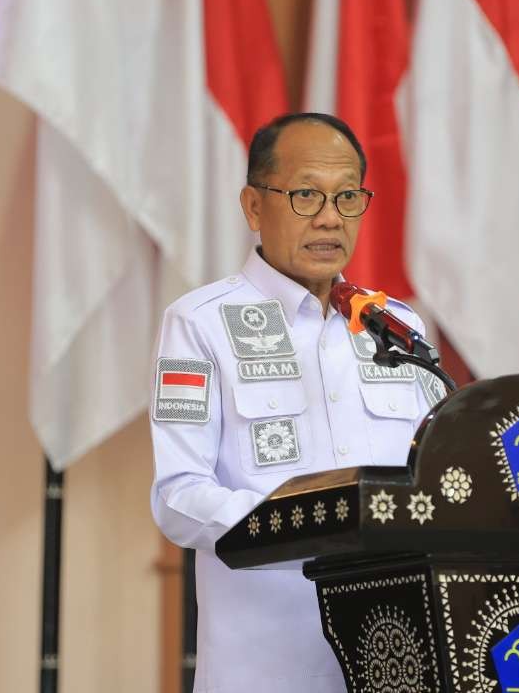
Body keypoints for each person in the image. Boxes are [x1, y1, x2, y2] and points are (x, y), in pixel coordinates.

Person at [149, 113, 440, 693]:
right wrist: (311, 529)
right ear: (254, 207)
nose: (330, 217)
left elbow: (431, 477)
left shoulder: (395, 327)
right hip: (266, 667)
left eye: (347, 196)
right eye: (306, 194)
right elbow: (179, 496)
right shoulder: (200, 323)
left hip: (395, 659)